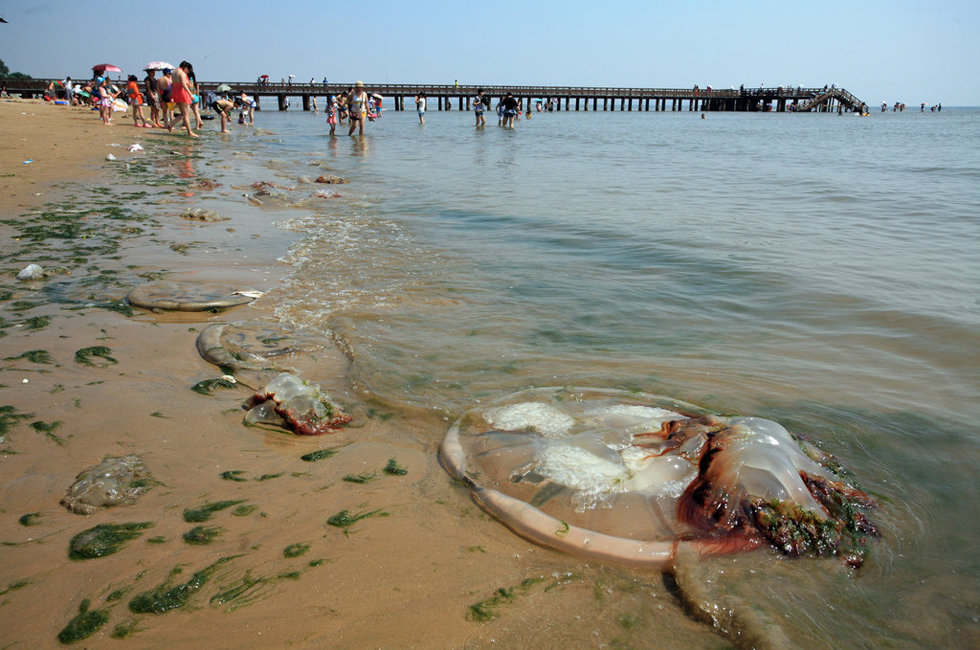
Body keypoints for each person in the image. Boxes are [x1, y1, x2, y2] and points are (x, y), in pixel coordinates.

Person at [168, 61, 198, 137]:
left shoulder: (174, 72)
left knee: (183, 114)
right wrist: (190, 94)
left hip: (176, 93)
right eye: (188, 70)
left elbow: (171, 84)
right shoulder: (182, 73)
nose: (188, 72)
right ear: (185, 68)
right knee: (186, 115)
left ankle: (171, 124)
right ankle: (190, 132)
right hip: (182, 93)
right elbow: (183, 84)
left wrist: (171, 94)